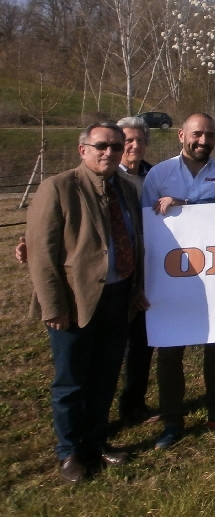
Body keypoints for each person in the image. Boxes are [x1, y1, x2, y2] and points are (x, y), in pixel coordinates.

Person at [26, 122, 146, 481]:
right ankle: (69, 452)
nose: (109, 152)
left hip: (118, 295)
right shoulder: (58, 188)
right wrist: (53, 306)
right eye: (101, 146)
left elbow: (134, 242)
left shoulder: (125, 189)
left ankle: (97, 440)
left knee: (106, 375)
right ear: (83, 150)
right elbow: (41, 254)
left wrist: (135, 288)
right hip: (76, 302)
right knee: (71, 381)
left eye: (115, 145)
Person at [141, 113, 215, 449]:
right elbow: (146, 228)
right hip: (171, 277)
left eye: (209, 135)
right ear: (181, 135)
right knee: (170, 350)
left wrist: (186, 205)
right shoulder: (158, 174)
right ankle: (172, 420)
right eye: (197, 134)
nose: (203, 141)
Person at [113, 116, 157, 426]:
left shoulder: (154, 177)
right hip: (115, 275)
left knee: (142, 345)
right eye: (127, 140)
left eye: (139, 140)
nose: (134, 145)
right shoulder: (107, 179)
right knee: (112, 349)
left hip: (150, 271)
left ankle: (134, 404)